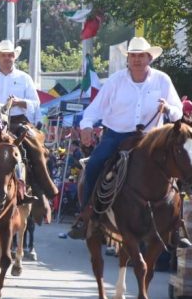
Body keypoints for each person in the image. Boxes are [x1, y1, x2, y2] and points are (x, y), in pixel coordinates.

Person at [67, 37, 188, 246]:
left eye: (141, 56)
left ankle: (177, 225)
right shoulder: (115, 81)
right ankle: (86, 215)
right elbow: (95, 108)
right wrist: (86, 125)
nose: (137, 60)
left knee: (178, 165)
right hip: (117, 135)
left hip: (151, 139)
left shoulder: (162, 80)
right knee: (95, 163)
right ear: (128, 59)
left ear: (149, 58)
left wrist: (168, 108)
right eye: (133, 55)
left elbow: (179, 114)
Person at [0, 40, 41, 131]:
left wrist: (19, 102)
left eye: (10, 55)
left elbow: (36, 104)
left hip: (19, 122)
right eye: (3, 55)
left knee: (32, 144)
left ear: (14, 57)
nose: (7, 58)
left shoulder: (25, 78)